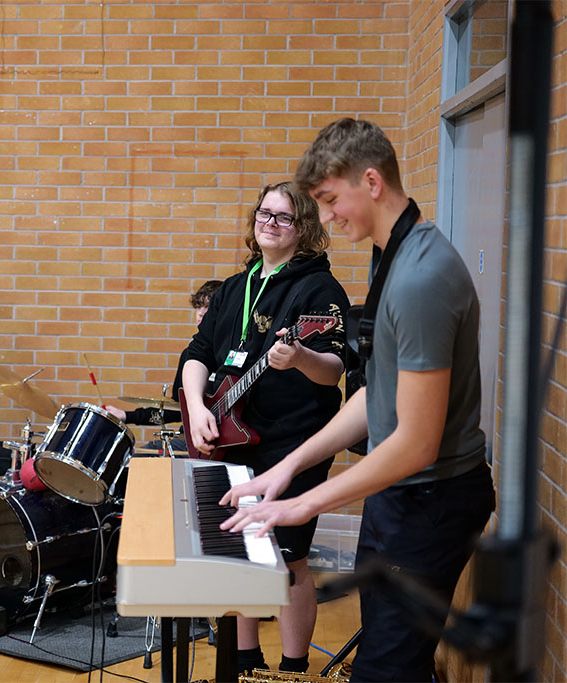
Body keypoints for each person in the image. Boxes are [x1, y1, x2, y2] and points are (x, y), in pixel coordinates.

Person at [222, 118, 495, 682]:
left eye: (327, 200)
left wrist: (302, 504)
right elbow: (376, 395)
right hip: (402, 497)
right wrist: (287, 470)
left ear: (371, 182)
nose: (323, 218)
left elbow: (417, 443)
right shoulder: (391, 255)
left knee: (386, 670)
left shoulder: (421, 276)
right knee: (388, 661)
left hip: (432, 499)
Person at [182, 181, 350, 675]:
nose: (270, 224)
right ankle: (245, 660)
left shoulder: (319, 289)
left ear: (305, 230)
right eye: (264, 213)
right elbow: (197, 354)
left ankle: (293, 670)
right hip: (227, 438)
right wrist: (196, 405)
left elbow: (334, 368)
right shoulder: (237, 285)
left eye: (283, 218)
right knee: (237, 551)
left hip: (291, 442)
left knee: (289, 558)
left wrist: (299, 357)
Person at [105, 280, 222, 428]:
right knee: (143, 451)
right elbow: (176, 409)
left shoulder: (231, 354)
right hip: (193, 439)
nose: (200, 312)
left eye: (207, 307)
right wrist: (126, 416)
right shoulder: (190, 355)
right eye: (198, 306)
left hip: (227, 438)